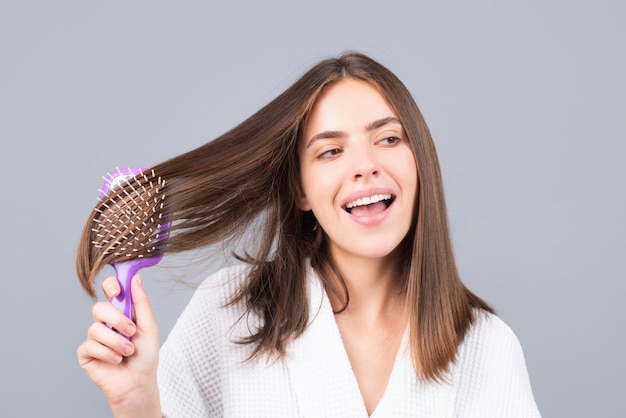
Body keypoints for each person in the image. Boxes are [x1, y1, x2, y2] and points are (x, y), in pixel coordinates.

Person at [76, 52, 542, 417]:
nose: (365, 166)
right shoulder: (229, 313)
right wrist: (136, 402)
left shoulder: (486, 347)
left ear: (420, 163)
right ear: (300, 189)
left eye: (388, 139)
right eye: (331, 150)